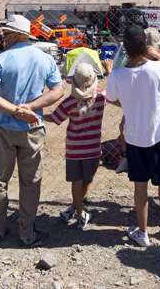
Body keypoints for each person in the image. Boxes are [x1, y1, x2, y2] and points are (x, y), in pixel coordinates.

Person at [0, 14, 64, 248]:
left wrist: (17, 110)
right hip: (33, 128)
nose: (2, 37)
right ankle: (26, 232)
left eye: (5, 33)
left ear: (17, 35)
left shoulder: (0, 60)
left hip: (4, 129)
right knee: (30, 182)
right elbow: (58, 91)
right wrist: (31, 108)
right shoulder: (45, 59)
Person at [106, 25, 160, 247]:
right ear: (147, 46)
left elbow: (111, 98)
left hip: (133, 138)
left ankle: (142, 232)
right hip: (159, 135)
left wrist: (128, 104)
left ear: (124, 47)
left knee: (140, 185)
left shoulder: (117, 75)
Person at [44, 63, 108, 230]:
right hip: (93, 149)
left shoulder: (69, 102)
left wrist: (40, 115)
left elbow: (55, 118)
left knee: (76, 181)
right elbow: (115, 92)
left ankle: (75, 209)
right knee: (87, 180)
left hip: (74, 149)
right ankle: (79, 213)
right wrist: (109, 72)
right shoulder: (101, 98)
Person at [115, 28, 160, 174]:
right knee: (123, 124)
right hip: (141, 100)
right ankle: (126, 155)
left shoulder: (159, 59)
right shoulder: (133, 59)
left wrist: (155, 55)